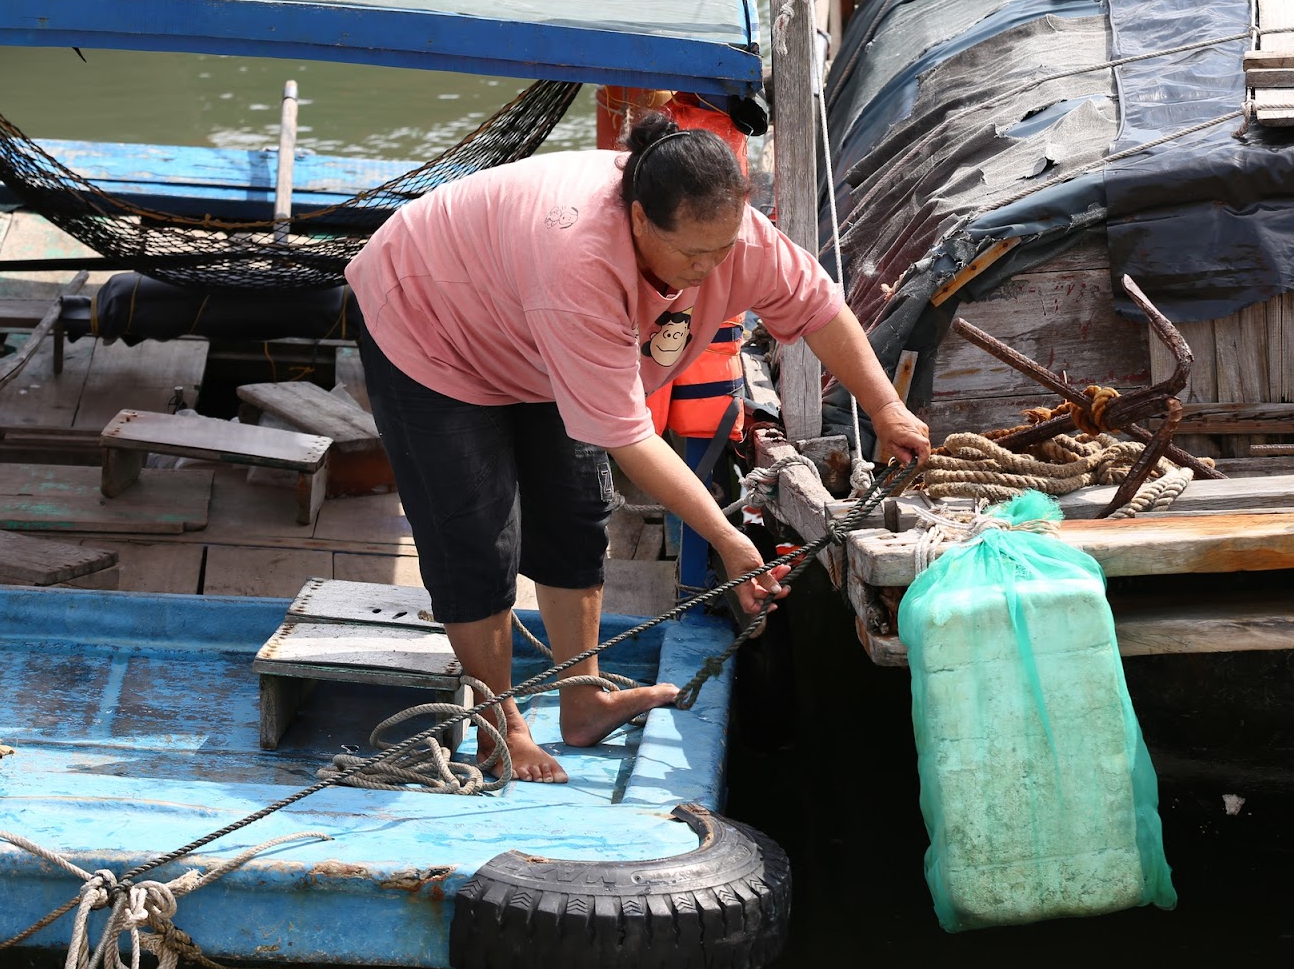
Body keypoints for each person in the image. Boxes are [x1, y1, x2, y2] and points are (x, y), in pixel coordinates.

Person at [346, 112, 930, 784]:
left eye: (724, 250)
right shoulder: (581, 262)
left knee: (575, 511)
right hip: (429, 323)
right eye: (692, 257)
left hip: (528, 331)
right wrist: (729, 537)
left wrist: (886, 408)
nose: (711, 271)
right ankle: (498, 724)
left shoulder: (734, 239)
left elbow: (820, 309)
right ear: (640, 222)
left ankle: (583, 701)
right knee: (476, 531)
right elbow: (630, 440)